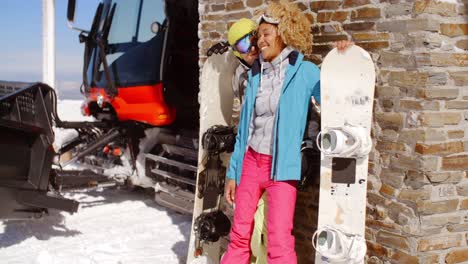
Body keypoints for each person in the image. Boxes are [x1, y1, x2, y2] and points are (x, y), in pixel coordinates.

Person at [221, 1, 353, 263]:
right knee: (238, 235)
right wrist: (232, 173)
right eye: (258, 36)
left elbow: (332, 98)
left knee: (279, 241)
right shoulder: (256, 74)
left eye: (266, 34)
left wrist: (343, 59)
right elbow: (245, 129)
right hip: (251, 162)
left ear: (284, 33)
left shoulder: (304, 72)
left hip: (283, 168)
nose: (260, 41)